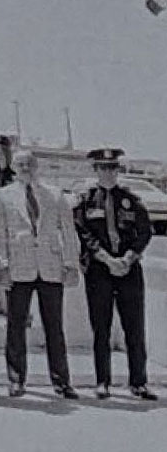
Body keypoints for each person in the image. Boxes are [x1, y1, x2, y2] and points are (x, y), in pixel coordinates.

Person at [0, 150, 80, 399]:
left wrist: (71, 264)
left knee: (55, 326)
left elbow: (68, 231)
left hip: (50, 266)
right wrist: (2, 266)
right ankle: (17, 379)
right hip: (19, 268)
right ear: (13, 167)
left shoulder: (55, 194)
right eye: (20, 164)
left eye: (29, 164)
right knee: (16, 325)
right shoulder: (2, 195)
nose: (25, 168)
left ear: (37, 166)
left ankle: (62, 381)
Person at [74, 148, 157, 400]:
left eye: (113, 168)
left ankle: (138, 382)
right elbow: (83, 234)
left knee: (135, 327)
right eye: (103, 168)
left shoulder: (130, 199)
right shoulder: (86, 200)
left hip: (129, 270)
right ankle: (102, 381)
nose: (109, 173)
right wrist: (107, 259)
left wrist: (129, 257)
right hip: (99, 271)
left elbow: (145, 231)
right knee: (102, 328)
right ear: (95, 170)